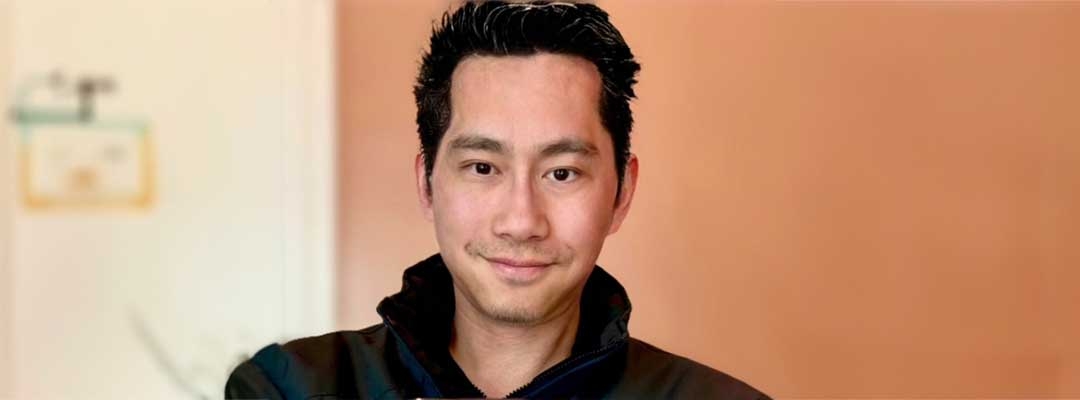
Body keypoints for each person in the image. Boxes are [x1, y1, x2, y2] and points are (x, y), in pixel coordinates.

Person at [226, 1, 769, 398]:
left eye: (561, 173)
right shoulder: (290, 388)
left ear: (622, 193)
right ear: (427, 185)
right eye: (483, 167)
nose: (521, 220)